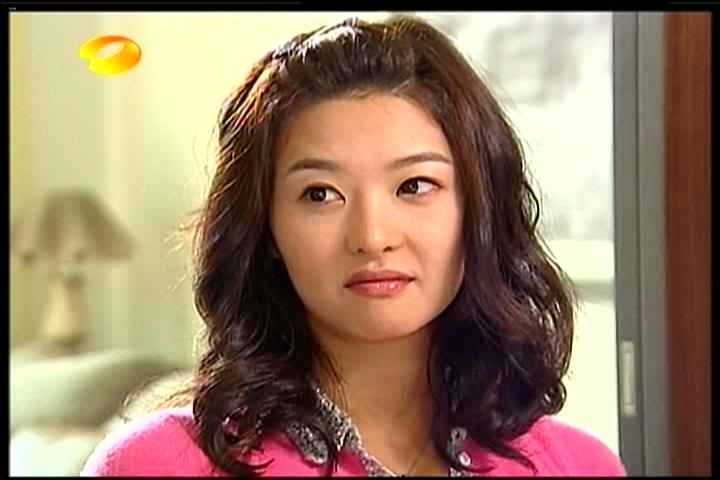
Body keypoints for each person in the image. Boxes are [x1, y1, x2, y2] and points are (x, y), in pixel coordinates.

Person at [81, 14, 626, 477]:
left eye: (414, 186)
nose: (372, 236)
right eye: (320, 194)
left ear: (478, 209)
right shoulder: (161, 463)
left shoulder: (579, 465)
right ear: (267, 230)